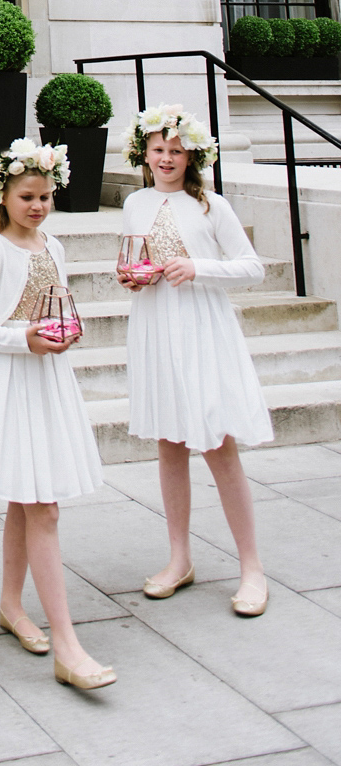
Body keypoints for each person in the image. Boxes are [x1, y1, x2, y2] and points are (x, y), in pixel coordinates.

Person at [0, 139, 115, 691]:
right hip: (8, 382)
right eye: (28, 196)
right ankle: (67, 647)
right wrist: (23, 339)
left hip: (48, 382)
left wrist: (64, 329)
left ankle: (10, 605)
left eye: (45, 196)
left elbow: (52, 303)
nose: (38, 205)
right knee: (43, 508)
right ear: (4, 197)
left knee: (29, 502)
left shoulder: (54, 246)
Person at [118, 104, 271, 616]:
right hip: (156, 327)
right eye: (158, 150)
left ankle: (252, 568)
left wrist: (197, 267)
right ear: (145, 154)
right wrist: (133, 276)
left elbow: (252, 268)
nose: (166, 159)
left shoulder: (211, 207)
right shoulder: (135, 204)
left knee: (218, 443)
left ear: (192, 156)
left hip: (203, 329)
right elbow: (134, 259)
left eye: (175, 151)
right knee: (169, 442)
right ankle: (178, 557)